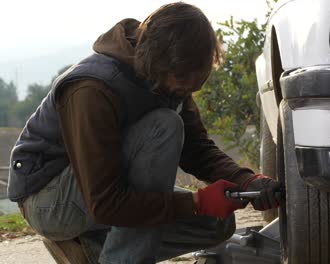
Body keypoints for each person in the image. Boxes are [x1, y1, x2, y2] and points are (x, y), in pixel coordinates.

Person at [7, 2, 281, 264]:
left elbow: (197, 149)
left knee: (217, 222)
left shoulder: (170, 79)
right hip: (48, 201)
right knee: (164, 126)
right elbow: (106, 203)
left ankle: (93, 250)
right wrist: (196, 201)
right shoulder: (91, 90)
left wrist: (247, 182)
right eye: (183, 83)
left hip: (101, 193)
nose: (189, 91)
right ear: (158, 64)